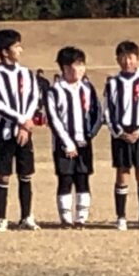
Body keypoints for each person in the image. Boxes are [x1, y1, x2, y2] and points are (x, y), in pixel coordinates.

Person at [0, 29, 40, 232]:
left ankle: (26, 216)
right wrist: (21, 120)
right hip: (5, 133)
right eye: (16, 46)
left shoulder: (26, 73)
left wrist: (27, 122)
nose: (20, 50)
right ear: (4, 51)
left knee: (26, 174)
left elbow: (34, 97)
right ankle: (1, 218)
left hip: (25, 132)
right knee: (4, 175)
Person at [104, 41, 139, 231]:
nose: (127, 62)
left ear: (137, 58)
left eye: (130, 58)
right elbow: (108, 111)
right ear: (117, 59)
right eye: (123, 58)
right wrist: (118, 132)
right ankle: (121, 217)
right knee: (122, 173)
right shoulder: (112, 83)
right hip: (121, 133)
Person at [46, 47, 102, 228]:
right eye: (74, 66)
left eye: (81, 65)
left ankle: (81, 218)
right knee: (65, 179)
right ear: (64, 68)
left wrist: (90, 135)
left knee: (83, 178)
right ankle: (66, 219)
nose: (78, 70)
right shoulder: (55, 91)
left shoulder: (87, 88)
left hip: (83, 142)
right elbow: (53, 119)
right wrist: (67, 143)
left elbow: (97, 113)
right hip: (63, 145)